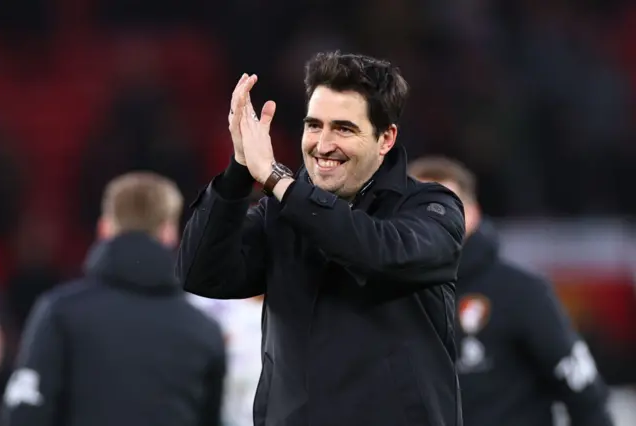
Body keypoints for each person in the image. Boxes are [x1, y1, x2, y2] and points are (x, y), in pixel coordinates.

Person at [177, 51, 466, 426]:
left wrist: (279, 180)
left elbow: (378, 252)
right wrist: (238, 171)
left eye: (343, 129)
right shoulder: (281, 215)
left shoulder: (430, 207)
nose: (322, 144)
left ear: (385, 138)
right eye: (314, 125)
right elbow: (201, 273)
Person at [0, 172, 226, 426]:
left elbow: (24, 416)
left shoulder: (60, 313)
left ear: (104, 228)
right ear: (169, 233)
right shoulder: (204, 331)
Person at [409, 156, 614, 426]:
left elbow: (585, 396)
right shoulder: (384, 299)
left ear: (473, 214)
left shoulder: (520, 293)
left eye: (444, 207)